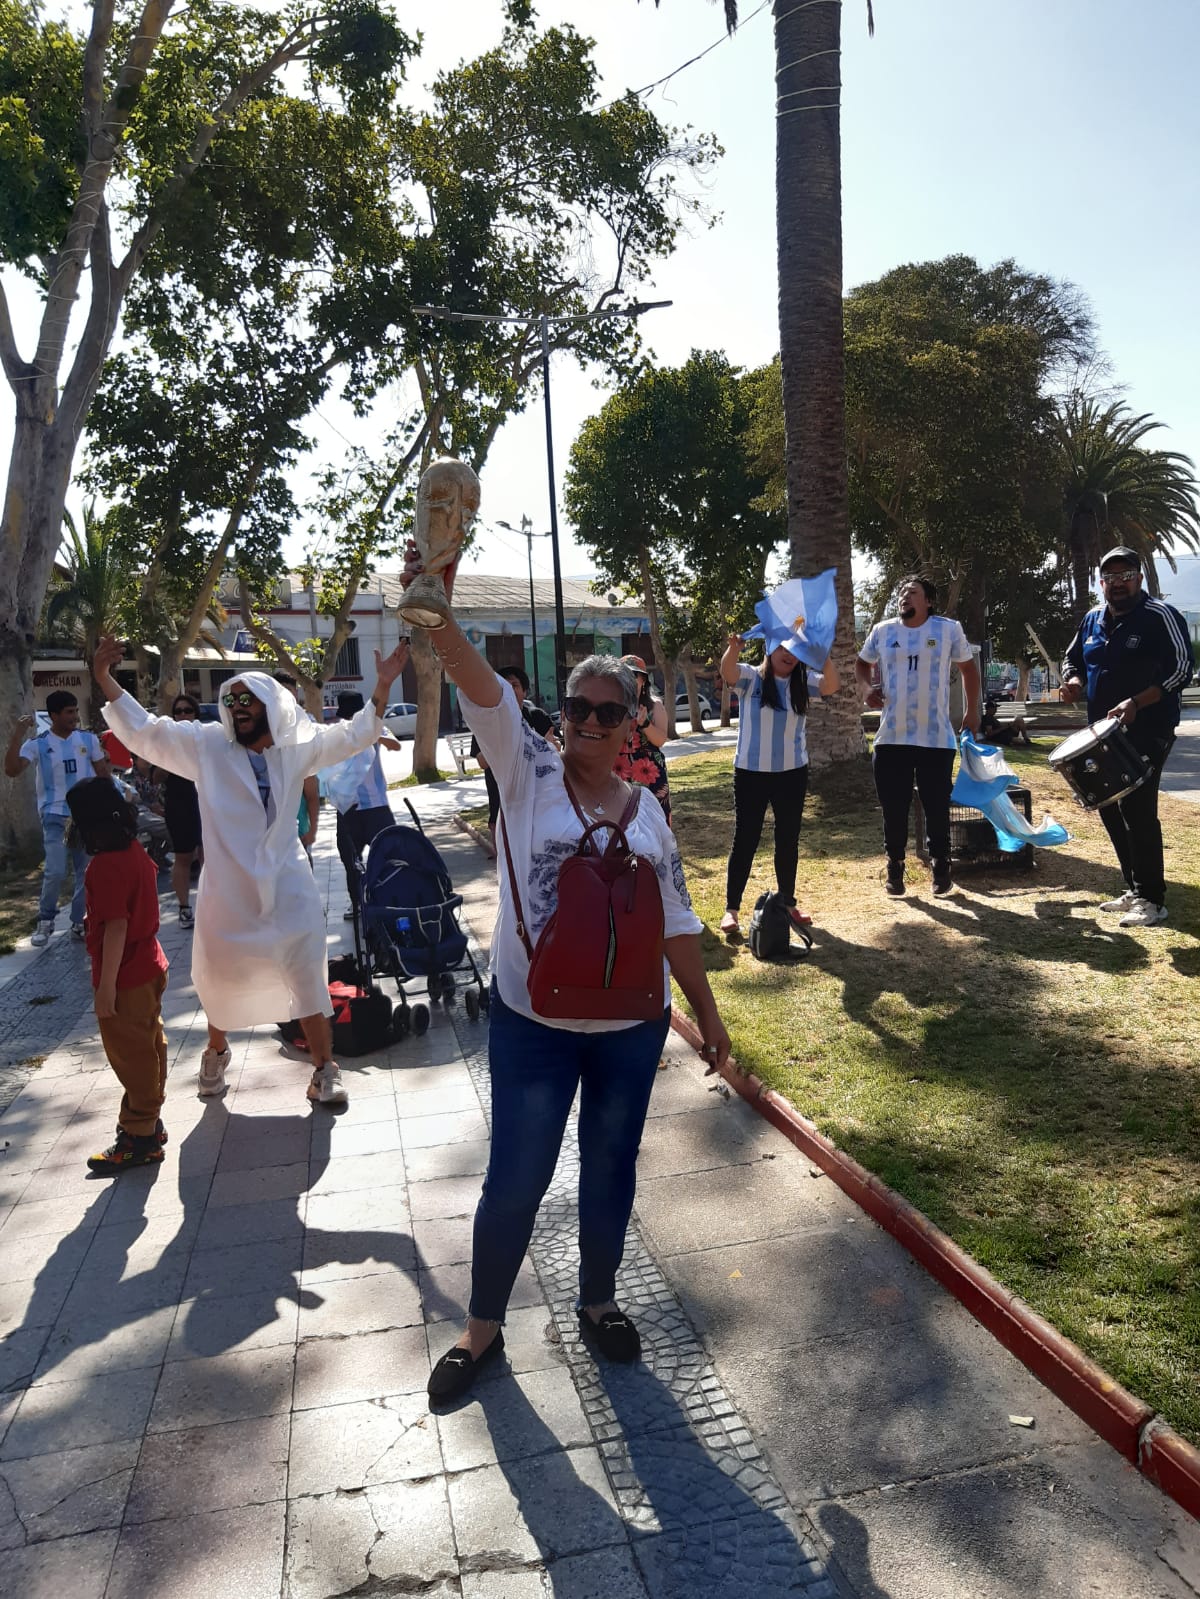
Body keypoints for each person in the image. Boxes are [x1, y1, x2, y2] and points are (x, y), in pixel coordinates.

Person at [405, 569, 731, 1405]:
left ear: (631, 725)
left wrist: (709, 1017)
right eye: (578, 707)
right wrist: (441, 621)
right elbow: (483, 692)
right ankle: (481, 1327)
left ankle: (598, 1299)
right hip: (535, 1024)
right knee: (517, 1174)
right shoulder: (527, 771)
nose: (589, 722)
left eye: (608, 711)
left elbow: (677, 922)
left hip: (630, 1025)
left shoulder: (649, 810)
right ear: (563, 713)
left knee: (611, 1165)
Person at [92, 634, 411, 1107]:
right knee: (222, 977)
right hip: (229, 891)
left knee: (305, 971)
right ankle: (216, 1055)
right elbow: (147, 732)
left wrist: (383, 686)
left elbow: (352, 734)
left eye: (247, 702)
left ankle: (325, 1070)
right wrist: (104, 679)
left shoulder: (296, 748)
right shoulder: (207, 746)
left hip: (288, 885)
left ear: (270, 706)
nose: (237, 709)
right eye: (232, 702)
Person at [1059, 545, 1193, 927]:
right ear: (1101, 583)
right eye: (1110, 578)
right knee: (1109, 805)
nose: (1117, 584)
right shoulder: (1092, 619)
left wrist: (1137, 701)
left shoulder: (1159, 616)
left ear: (1139, 578)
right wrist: (1072, 680)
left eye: (1125, 576)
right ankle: (1135, 888)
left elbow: (1182, 669)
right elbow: (1074, 659)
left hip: (1149, 728)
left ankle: (1153, 899)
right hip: (1102, 733)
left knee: (1137, 809)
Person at [65, 778, 170, 1174]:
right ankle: (148, 1124)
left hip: (126, 975)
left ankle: (139, 1137)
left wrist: (105, 988)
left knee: (131, 1055)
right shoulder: (134, 853)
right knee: (149, 1044)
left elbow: (115, 927)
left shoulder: (104, 867)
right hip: (150, 965)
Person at [855, 576, 981, 898]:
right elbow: (862, 664)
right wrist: (867, 689)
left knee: (936, 805)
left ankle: (941, 868)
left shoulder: (948, 629)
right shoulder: (883, 631)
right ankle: (895, 869)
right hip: (891, 737)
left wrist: (972, 711)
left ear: (929, 601)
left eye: (912, 593)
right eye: (901, 593)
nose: (904, 597)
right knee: (893, 806)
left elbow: (968, 669)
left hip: (935, 738)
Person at [717, 636, 840, 937]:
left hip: (791, 773)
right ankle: (731, 910)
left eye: (795, 650)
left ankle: (787, 903)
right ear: (769, 650)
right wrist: (733, 649)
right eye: (782, 648)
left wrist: (822, 654)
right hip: (750, 772)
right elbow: (727, 672)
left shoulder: (804, 682)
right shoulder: (750, 678)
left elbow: (831, 685)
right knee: (745, 838)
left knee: (788, 839)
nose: (788, 655)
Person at [4, 690, 111, 946]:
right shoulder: (38, 744)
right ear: (53, 715)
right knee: (55, 871)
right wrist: (17, 736)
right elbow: (12, 770)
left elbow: (103, 776)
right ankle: (46, 921)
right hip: (54, 814)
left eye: (75, 711)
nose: (75, 716)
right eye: (69, 712)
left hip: (86, 816)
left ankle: (78, 922)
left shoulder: (88, 740)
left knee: (86, 872)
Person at [324, 690, 403, 919]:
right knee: (350, 860)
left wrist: (373, 735)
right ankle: (357, 904)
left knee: (390, 854)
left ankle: (392, 898)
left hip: (376, 806)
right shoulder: (336, 732)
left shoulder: (375, 727)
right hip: (348, 808)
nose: (350, 721)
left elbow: (395, 746)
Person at [470, 667, 557, 840]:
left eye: (514, 685)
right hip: (501, 811)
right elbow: (482, 761)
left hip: (539, 809)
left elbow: (556, 749)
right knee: (506, 866)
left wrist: (549, 745)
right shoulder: (486, 723)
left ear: (524, 691)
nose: (509, 690)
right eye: (503, 686)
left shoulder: (538, 717)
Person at [613, 654, 671, 824]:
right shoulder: (611, 707)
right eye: (624, 675)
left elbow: (660, 740)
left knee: (654, 823)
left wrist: (645, 724)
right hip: (618, 772)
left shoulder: (655, 706)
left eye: (634, 675)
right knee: (620, 823)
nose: (629, 681)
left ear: (643, 680)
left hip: (650, 774)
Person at [163, 694, 204, 925]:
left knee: (209, 855)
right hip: (178, 804)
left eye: (188, 710)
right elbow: (156, 776)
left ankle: (212, 906)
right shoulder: (168, 740)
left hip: (205, 801)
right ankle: (184, 907)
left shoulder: (205, 737)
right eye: (178, 711)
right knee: (183, 857)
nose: (183, 715)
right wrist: (169, 758)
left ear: (195, 713)